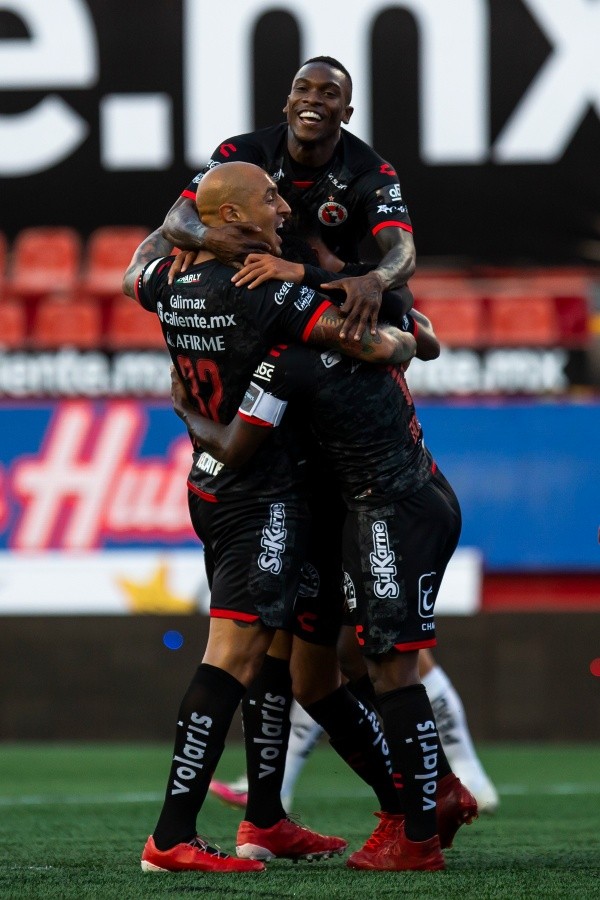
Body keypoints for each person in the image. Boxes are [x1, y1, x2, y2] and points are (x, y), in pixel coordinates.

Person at [122, 160, 417, 875]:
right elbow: (385, 346)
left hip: (213, 483)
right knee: (237, 654)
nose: (284, 206)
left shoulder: (169, 283)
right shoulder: (258, 293)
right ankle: (172, 836)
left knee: (269, 653)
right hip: (264, 495)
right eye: (269, 198)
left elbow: (138, 264)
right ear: (230, 218)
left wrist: (192, 228)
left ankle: (265, 817)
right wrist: (402, 333)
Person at [169, 306, 477, 871]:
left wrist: (186, 410)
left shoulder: (293, 348)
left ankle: (423, 810)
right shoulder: (356, 307)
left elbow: (235, 447)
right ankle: (277, 815)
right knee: (310, 670)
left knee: (378, 663)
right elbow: (424, 341)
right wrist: (388, 312)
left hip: (374, 508)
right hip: (343, 506)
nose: (282, 209)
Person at [161, 56, 416, 340]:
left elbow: (403, 252)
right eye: (302, 89)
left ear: (346, 112)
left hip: (326, 294)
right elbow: (174, 221)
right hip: (253, 285)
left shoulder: (369, 170)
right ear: (288, 102)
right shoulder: (243, 152)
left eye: (329, 93)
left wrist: (376, 281)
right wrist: (205, 239)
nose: (312, 99)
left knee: (402, 307)